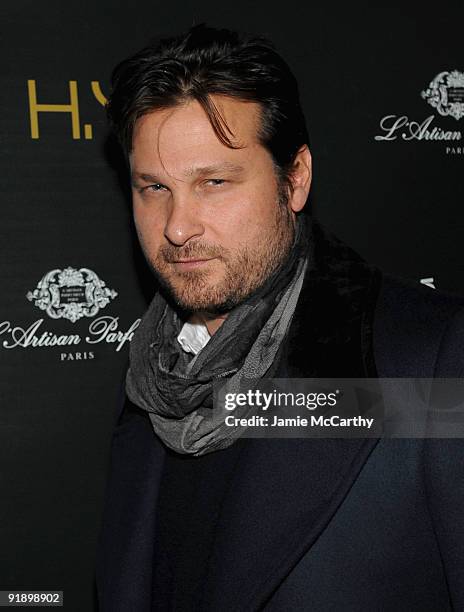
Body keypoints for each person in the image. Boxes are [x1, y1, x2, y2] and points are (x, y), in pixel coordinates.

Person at [96, 24, 464, 611]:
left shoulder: (431, 358)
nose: (176, 225)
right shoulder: (155, 375)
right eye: (153, 188)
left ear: (295, 179)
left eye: (213, 182)